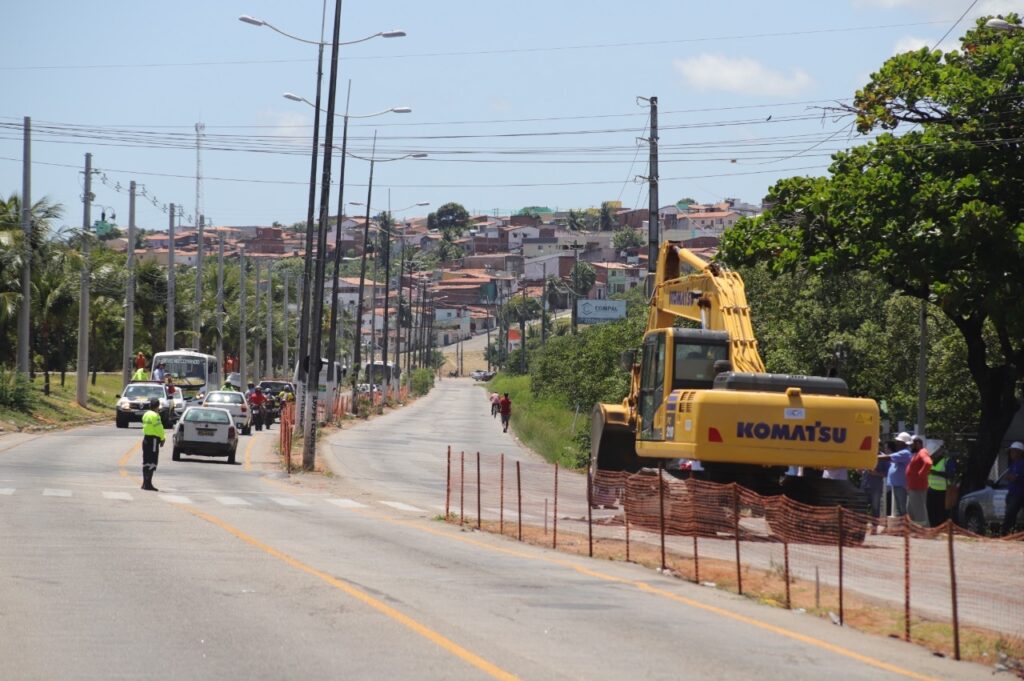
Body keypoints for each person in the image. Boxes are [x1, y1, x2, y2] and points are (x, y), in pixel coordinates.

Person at [883, 432, 914, 517]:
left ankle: (906, 527)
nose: (896, 443)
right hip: (898, 484)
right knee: (899, 508)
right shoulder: (902, 452)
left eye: (899, 441)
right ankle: (902, 527)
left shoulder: (905, 453)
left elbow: (888, 457)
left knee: (902, 508)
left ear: (904, 443)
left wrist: (872, 457)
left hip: (901, 484)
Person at [906, 434, 932, 526]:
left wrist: (921, 474)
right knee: (911, 511)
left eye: (911, 444)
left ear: (917, 443)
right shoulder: (916, 453)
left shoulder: (922, 452)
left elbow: (928, 463)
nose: (910, 446)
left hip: (918, 488)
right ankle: (915, 530)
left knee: (919, 511)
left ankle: (923, 531)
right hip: (913, 488)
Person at [862, 447, 890, 532]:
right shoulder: (866, 455)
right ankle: (862, 527)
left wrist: (876, 473)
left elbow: (886, 473)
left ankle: (874, 528)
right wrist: (859, 470)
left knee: (875, 507)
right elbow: (860, 469)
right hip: (865, 485)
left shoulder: (883, 458)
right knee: (863, 507)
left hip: (876, 487)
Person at [927, 448, 957, 526]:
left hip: (943, 491)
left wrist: (935, 473)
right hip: (930, 489)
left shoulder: (947, 461)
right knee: (931, 512)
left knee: (941, 513)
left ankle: (942, 529)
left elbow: (951, 475)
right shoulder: (930, 461)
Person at [140, 398, 165, 491]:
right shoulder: (156, 416)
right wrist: (162, 438)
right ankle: (148, 483)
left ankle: (144, 483)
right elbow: (159, 428)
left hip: (146, 438)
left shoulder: (145, 414)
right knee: (153, 461)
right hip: (154, 440)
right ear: (157, 406)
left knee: (146, 461)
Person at [1000, 441, 1024, 536]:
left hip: (1019, 494)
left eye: (1013, 451)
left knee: (1010, 514)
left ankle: (1006, 533)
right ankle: (1010, 533)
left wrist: (1011, 477)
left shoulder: (1021, 464)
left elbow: (1014, 478)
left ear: (1020, 452)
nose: (1011, 454)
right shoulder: (1013, 464)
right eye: (1011, 452)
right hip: (1012, 493)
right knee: (1010, 515)